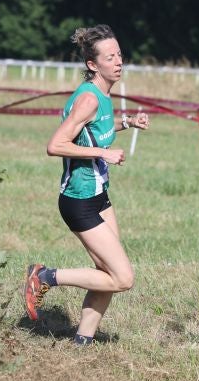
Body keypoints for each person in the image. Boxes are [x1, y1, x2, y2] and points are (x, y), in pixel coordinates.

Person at [24, 24, 150, 346]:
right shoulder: (89, 100)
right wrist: (102, 153)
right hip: (78, 200)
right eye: (110, 57)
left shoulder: (104, 94)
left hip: (98, 195)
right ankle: (45, 276)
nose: (119, 61)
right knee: (122, 278)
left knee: (105, 271)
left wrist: (127, 123)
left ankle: (83, 341)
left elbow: (95, 131)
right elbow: (56, 145)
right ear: (93, 65)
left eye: (119, 54)